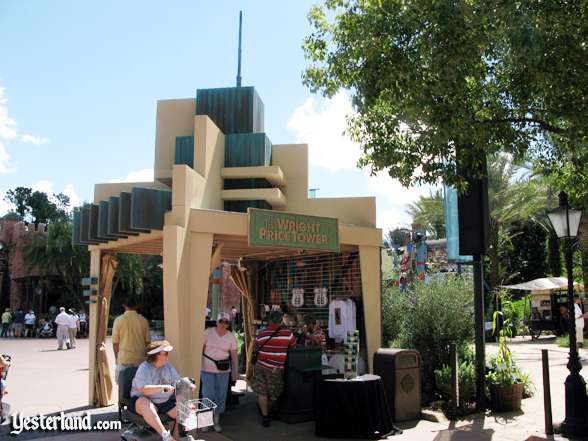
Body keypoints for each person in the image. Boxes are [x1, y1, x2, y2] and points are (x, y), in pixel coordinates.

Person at [131, 340, 189, 441]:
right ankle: (166, 437)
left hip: (164, 402)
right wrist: (163, 387)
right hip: (144, 400)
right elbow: (143, 389)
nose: (167, 356)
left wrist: (187, 385)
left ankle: (175, 437)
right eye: (165, 353)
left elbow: (178, 383)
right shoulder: (144, 368)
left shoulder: (168, 366)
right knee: (144, 403)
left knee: (186, 408)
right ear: (156, 355)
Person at [251, 310, 296, 427]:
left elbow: (256, 346)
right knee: (274, 394)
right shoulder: (288, 334)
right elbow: (293, 345)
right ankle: (267, 412)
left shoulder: (262, 333)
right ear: (281, 320)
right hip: (275, 369)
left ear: (270, 320)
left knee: (262, 392)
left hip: (260, 366)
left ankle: (265, 416)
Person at [201, 312, 238, 433]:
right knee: (207, 394)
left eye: (226, 322)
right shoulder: (207, 332)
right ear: (217, 322)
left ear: (228, 324)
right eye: (221, 321)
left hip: (223, 371)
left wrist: (235, 372)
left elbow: (234, 356)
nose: (223, 324)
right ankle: (205, 421)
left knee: (220, 396)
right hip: (207, 369)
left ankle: (216, 420)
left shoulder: (231, 336)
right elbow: (200, 350)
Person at [112, 296, 150, 384]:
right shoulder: (143, 320)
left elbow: (115, 343)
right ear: (137, 306)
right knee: (140, 388)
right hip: (140, 360)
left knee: (123, 389)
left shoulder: (118, 320)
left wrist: (117, 359)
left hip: (124, 359)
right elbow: (148, 343)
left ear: (124, 305)